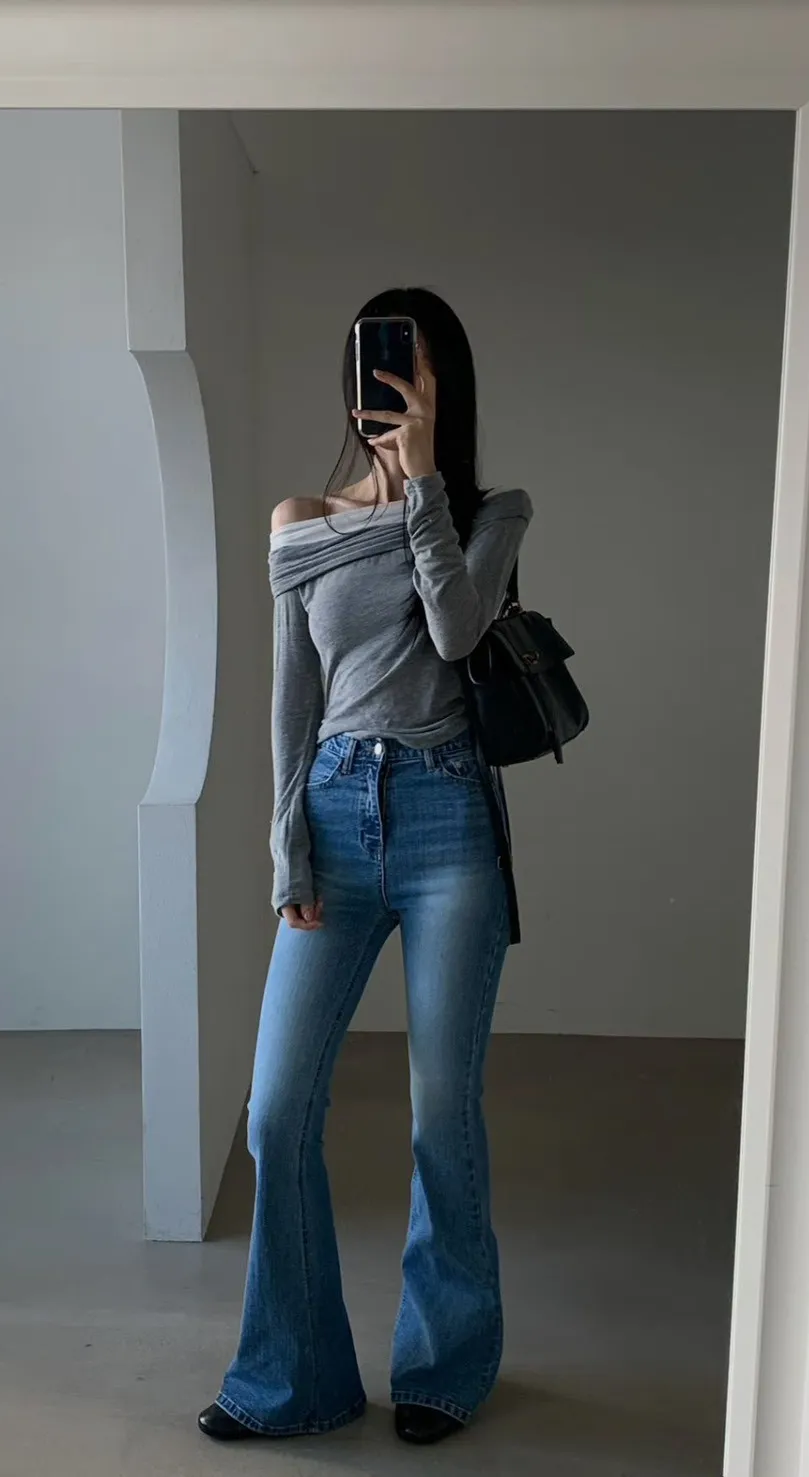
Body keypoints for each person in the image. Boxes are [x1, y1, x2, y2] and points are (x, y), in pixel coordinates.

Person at [199, 286, 532, 1447]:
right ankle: (293, 1376)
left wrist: (423, 483)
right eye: (376, 366)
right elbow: (291, 703)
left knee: (443, 1106)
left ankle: (444, 1365)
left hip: (449, 826)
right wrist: (286, 844)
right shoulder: (299, 521)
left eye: (412, 367)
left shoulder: (493, 517)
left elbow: (454, 630)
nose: (389, 386)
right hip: (335, 820)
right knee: (278, 1110)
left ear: (445, 385)